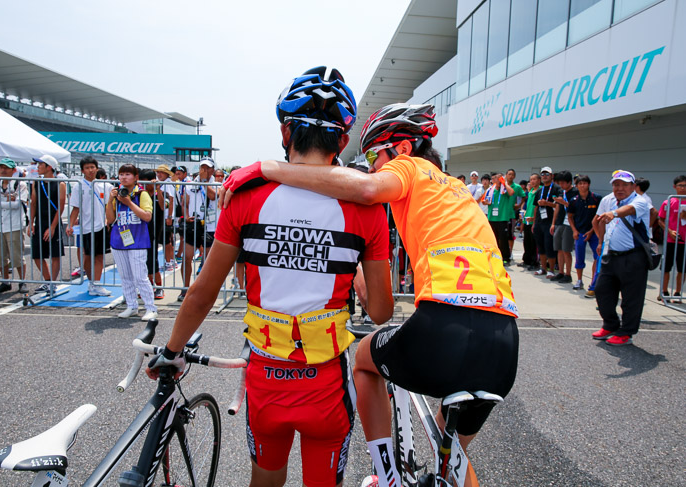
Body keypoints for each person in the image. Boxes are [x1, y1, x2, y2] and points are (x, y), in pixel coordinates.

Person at [223, 103, 519, 487]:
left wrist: (266, 168)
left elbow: (365, 189)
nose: (373, 166)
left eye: (372, 155)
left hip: (447, 322)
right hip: (504, 341)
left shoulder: (409, 167)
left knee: (364, 362)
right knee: (452, 457)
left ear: (401, 148)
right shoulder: (459, 189)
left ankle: (387, 476)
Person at [148, 66, 393, 487]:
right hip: (327, 385)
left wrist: (172, 351)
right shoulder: (368, 210)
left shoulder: (245, 196)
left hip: (266, 380)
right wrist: (352, 275)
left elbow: (204, 293)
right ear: (343, 141)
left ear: (285, 134)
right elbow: (381, 311)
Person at [592, 170, 650, 346]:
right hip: (612, 255)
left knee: (631, 297)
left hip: (633, 256)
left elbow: (628, 210)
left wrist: (614, 213)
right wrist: (601, 242)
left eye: (625, 185)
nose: (620, 188)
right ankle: (610, 325)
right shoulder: (608, 200)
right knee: (602, 291)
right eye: (616, 184)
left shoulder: (639, 201)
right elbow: (600, 220)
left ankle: (626, 332)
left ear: (633, 186)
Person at [106, 164, 157, 321]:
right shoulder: (116, 195)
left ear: (136, 177)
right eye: (121, 174)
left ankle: (150, 308)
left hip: (138, 241)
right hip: (119, 240)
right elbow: (110, 219)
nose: (123, 177)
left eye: (128, 174)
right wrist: (110, 199)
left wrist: (129, 203)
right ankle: (132, 306)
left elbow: (147, 216)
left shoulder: (141, 194)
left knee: (140, 276)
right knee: (125, 276)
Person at [65, 156, 112, 297]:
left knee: (99, 256)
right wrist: (70, 224)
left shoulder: (105, 185)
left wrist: (108, 220)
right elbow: (75, 208)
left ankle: (96, 283)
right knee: (87, 257)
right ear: (82, 170)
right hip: (86, 227)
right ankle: (92, 282)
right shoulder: (78, 186)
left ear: (97, 168)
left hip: (102, 227)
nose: (90, 170)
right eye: (87, 168)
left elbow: (112, 202)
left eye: (92, 167)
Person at [0, 159, 29, 294]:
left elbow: (17, 204)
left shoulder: (20, 184)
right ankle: (5, 282)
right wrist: (5, 202)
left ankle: (22, 281)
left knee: (17, 256)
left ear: (13, 170)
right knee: (0, 256)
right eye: (2, 167)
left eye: (7, 168)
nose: (4, 170)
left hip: (15, 225)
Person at [177, 158, 216, 301]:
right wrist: (186, 216)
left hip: (210, 225)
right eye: (202, 167)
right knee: (187, 257)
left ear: (212, 170)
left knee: (207, 260)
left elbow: (212, 196)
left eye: (208, 168)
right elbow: (185, 203)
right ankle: (185, 288)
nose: (205, 170)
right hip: (193, 224)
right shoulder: (190, 184)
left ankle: (202, 289)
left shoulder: (216, 184)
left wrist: (204, 183)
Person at [29, 155, 66, 294]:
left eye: (40, 164)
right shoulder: (37, 182)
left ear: (49, 167)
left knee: (55, 254)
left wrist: (52, 226)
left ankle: (52, 283)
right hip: (39, 221)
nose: (37, 167)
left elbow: (60, 207)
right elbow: (33, 203)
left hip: (53, 221)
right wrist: (31, 223)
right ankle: (48, 280)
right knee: (37, 254)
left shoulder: (60, 184)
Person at [567, 174, 602, 293]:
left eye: (585, 183)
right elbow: (570, 217)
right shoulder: (574, 201)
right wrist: (575, 231)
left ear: (589, 184)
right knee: (579, 258)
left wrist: (592, 231)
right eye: (580, 183)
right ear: (576, 186)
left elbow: (599, 218)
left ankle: (594, 282)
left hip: (594, 234)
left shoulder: (597, 198)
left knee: (597, 257)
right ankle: (579, 280)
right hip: (580, 233)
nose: (582, 185)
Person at [657, 175, 686, 301]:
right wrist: (669, 231)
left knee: (682, 268)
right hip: (670, 240)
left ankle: (678, 293)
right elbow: (660, 220)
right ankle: (663, 291)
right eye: (680, 185)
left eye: (685, 186)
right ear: (675, 187)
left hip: (684, 241)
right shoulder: (668, 201)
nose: (683, 188)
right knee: (666, 267)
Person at [139, 168, 166, 300]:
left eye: (147, 182)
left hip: (154, 232)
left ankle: (159, 287)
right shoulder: (139, 194)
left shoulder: (159, 194)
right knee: (142, 263)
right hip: (140, 233)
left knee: (153, 261)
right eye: (141, 182)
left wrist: (158, 188)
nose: (144, 185)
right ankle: (148, 287)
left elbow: (162, 206)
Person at [532, 166, 560, 278]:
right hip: (539, 221)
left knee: (549, 246)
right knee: (541, 246)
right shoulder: (540, 190)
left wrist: (548, 203)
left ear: (552, 176)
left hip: (550, 222)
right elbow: (535, 207)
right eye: (542, 174)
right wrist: (534, 223)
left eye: (547, 174)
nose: (544, 176)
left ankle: (551, 269)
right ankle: (542, 268)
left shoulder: (556, 189)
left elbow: (559, 205)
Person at [549, 171, 576, 284]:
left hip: (569, 224)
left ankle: (568, 274)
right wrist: (553, 223)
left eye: (563, 183)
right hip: (560, 222)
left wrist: (564, 202)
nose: (561, 185)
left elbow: (576, 208)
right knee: (559, 249)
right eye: (560, 183)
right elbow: (557, 208)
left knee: (566, 250)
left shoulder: (575, 192)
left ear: (569, 182)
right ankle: (560, 272)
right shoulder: (561, 192)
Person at [155, 164, 177, 272]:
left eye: (161, 172)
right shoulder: (163, 184)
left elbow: (171, 201)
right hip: (164, 216)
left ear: (166, 174)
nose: (159, 174)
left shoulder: (168, 184)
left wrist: (169, 216)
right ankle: (171, 261)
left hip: (166, 216)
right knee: (167, 240)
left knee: (166, 241)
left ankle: (169, 262)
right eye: (158, 172)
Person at [520, 173, 541, 270]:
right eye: (531, 179)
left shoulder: (540, 191)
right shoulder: (531, 191)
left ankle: (534, 262)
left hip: (535, 221)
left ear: (539, 180)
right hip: (527, 220)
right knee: (527, 241)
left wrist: (534, 218)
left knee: (534, 243)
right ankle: (526, 260)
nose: (532, 181)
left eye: (534, 179)